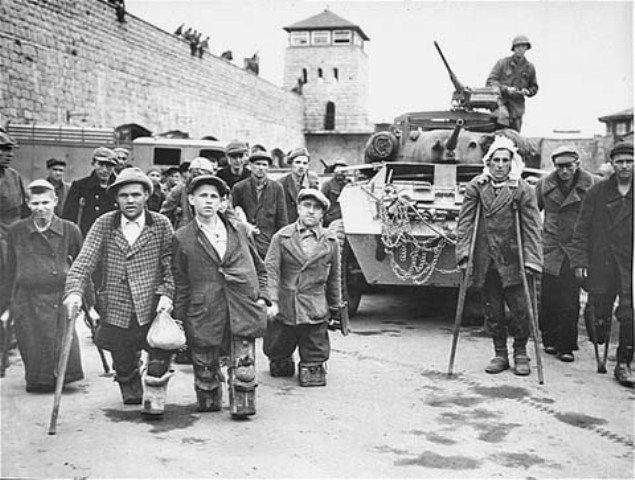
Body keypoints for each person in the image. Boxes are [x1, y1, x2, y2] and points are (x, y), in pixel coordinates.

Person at [64, 168, 176, 416]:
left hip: (153, 305)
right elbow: (83, 262)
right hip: (116, 305)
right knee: (124, 364)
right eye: (124, 195)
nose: (130, 200)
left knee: (159, 354)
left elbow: (170, 265)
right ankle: (129, 381)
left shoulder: (161, 224)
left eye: (136, 194)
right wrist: (74, 291)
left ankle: (155, 390)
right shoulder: (105, 223)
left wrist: (167, 294)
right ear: (116, 198)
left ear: (147, 195)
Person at [172, 175, 269, 417]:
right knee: (205, 374)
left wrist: (263, 296)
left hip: (242, 307)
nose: (208, 201)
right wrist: (178, 318)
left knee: (244, 370)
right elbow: (180, 281)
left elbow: (259, 267)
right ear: (191, 200)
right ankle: (209, 396)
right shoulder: (182, 237)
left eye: (214, 196)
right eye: (203, 196)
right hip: (204, 311)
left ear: (222, 201)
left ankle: (242, 401)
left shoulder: (238, 230)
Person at [456, 136, 542, 376]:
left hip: (514, 259)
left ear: (511, 163)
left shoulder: (521, 188)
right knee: (492, 310)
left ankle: (521, 352)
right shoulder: (477, 186)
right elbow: (465, 223)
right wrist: (464, 254)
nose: (500, 165)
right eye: (496, 160)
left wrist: (533, 258)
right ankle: (500, 354)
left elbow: (533, 226)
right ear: (489, 162)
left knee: (520, 309)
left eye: (505, 160)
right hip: (486, 259)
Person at [3, 180, 84, 392]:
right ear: (28, 204)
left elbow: (82, 267)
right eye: (35, 203)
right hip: (27, 297)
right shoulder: (17, 231)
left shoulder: (70, 230)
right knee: (30, 339)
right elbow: (10, 269)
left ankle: (62, 377)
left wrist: (89, 303)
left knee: (59, 341)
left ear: (55, 202)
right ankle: (38, 379)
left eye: (46, 202)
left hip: (59, 296)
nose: (41, 208)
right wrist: (5, 305)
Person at [570, 142, 634, 388]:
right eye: (620, 162)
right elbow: (581, 229)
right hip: (602, 261)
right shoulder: (597, 193)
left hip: (630, 263)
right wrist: (579, 261)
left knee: (630, 313)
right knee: (600, 314)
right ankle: (598, 324)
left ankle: (623, 363)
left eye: (629, 161)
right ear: (612, 164)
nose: (625, 166)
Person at [264, 189, 342, 386]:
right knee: (279, 341)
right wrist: (271, 301)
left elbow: (334, 278)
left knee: (315, 341)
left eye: (316, 208)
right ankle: (280, 359)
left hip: (315, 303)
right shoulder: (281, 237)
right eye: (307, 206)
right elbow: (271, 271)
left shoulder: (331, 241)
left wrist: (336, 307)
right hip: (286, 302)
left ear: (322, 214)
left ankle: (313, 363)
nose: (311, 211)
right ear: (298, 208)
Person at [535, 146, 595, 362]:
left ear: (577, 164)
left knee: (569, 298)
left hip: (575, 249)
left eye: (568, 166)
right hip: (551, 248)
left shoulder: (591, 184)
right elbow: (533, 212)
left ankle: (566, 345)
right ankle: (549, 340)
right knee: (549, 296)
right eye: (560, 167)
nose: (564, 171)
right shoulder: (544, 185)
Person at [231, 150, 287, 259]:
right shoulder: (239, 188)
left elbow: (282, 219)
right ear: (250, 166)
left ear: (268, 168)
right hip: (245, 242)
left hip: (268, 244)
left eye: (264, 165)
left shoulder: (277, 188)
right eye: (257, 164)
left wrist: (279, 244)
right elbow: (230, 214)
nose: (260, 168)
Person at [486, 35, 539, 132]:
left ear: (527, 48)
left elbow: (534, 87)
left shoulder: (530, 68)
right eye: (518, 47)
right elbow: (490, 82)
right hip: (500, 107)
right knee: (497, 138)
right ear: (514, 48)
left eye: (523, 47)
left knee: (515, 141)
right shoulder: (502, 63)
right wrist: (505, 89)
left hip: (517, 110)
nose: (520, 49)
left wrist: (527, 91)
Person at [62, 147, 118, 237]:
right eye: (100, 164)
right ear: (93, 163)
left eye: (109, 166)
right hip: (87, 237)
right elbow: (68, 218)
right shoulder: (80, 186)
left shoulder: (119, 188)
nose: (104, 170)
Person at [160, 157, 217, 229]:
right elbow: (165, 212)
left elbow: (228, 213)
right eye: (196, 174)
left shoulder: (217, 189)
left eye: (203, 174)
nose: (199, 177)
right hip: (186, 230)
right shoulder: (179, 189)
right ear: (190, 173)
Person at [279, 148, 319, 224]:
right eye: (297, 162)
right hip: (288, 226)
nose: (301, 166)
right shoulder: (281, 183)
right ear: (291, 164)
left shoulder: (312, 183)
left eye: (305, 163)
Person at [0, 131, 28, 231]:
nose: (11, 154)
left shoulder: (14, 176)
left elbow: (25, 210)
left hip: (14, 236)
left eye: (11, 150)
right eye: (4, 149)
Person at [321, 163, 348, 227]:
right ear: (334, 172)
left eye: (343, 171)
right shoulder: (327, 184)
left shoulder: (349, 184)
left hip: (346, 219)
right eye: (337, 171)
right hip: (331, 219)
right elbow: (322, 202)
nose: (340, 173)